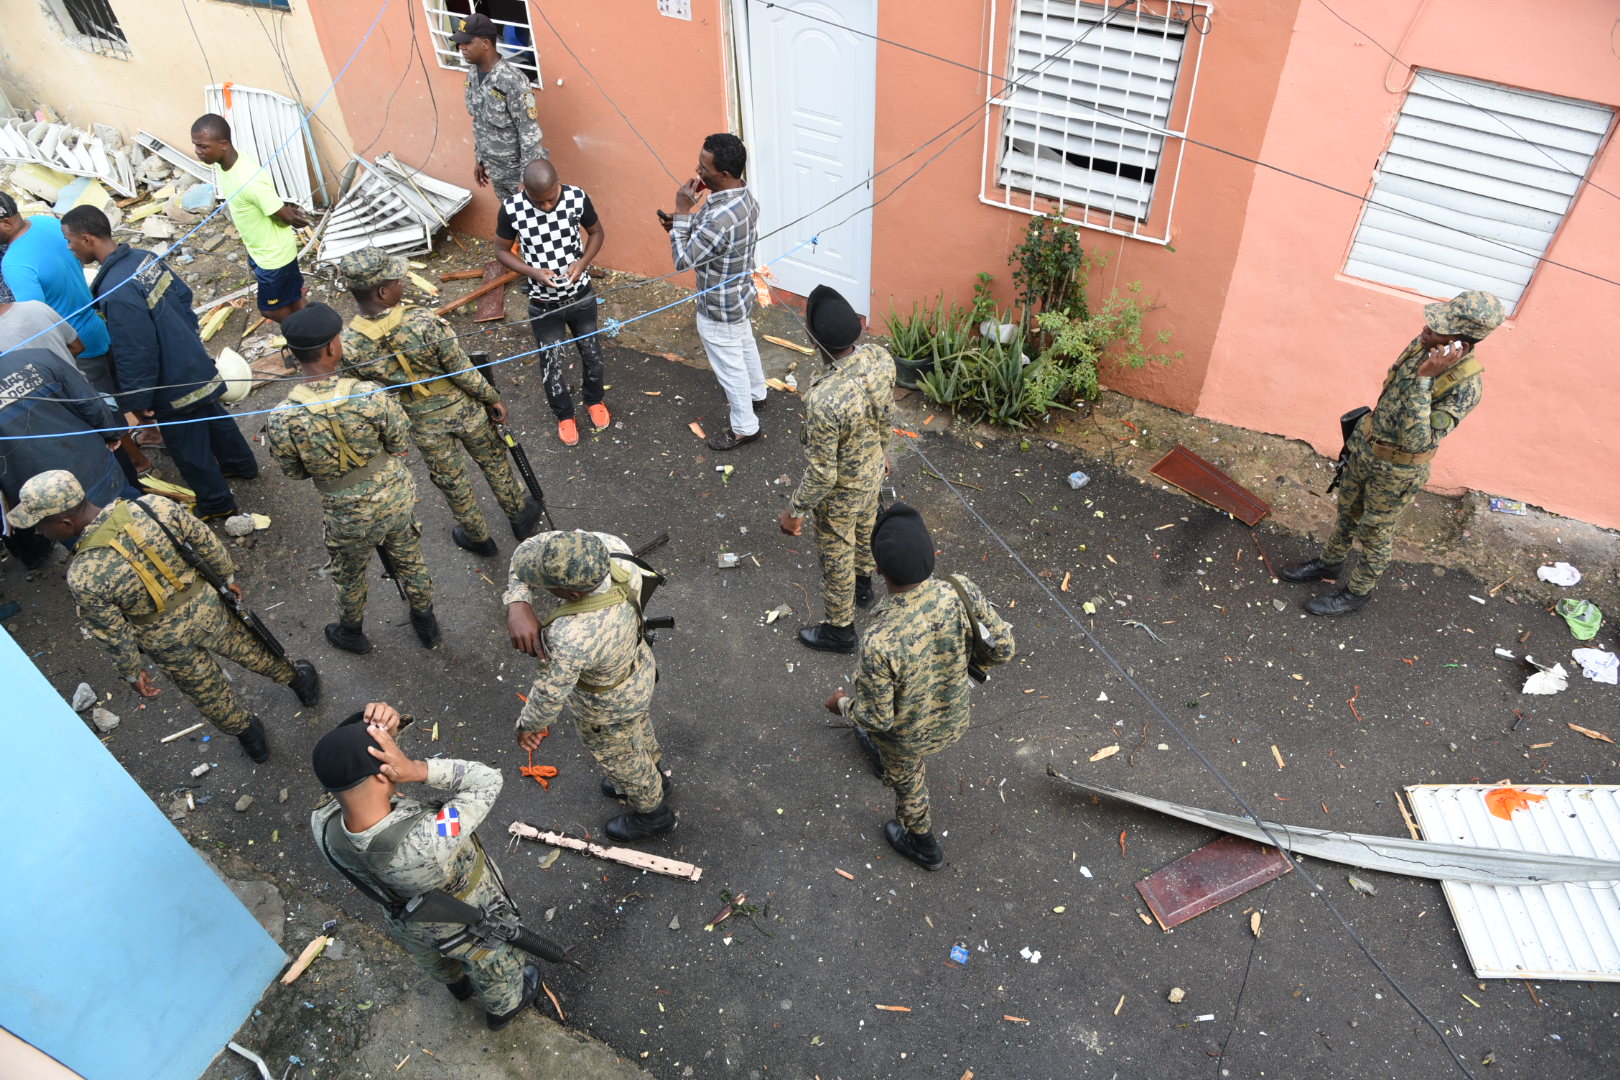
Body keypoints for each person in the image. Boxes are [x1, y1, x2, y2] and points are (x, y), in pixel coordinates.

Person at [12, 469, 319, 762]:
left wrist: (134, 672)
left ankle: (251, 739)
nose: (39, 530)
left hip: (162, 639)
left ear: (65, 523)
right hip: (208, 607)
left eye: (41, 524)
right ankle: (301, 683)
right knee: (255, 651)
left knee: (205, 692)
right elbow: (203, 539)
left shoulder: (83, 575)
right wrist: (226, 576)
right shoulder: (152, 506)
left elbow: (113, 633)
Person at [310, 702, 540, 1030]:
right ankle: (503, 1010)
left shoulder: (322, 822)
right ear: (383, 772)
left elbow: (338, 758)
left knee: (437, 959)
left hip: (408, 921)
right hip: (469, 922)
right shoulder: (433, 837)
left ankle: (457, 987)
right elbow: (487, 781)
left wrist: (380, 726)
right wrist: (418, 769)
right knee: (494, 965)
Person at [1282, 290, 1506, 616]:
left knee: (1375, 531)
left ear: (1461, 346)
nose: (1426, 328)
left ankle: (1357, 593)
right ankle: (1329, 564)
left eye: (1438, 327)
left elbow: (1418, 439)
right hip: (1365, 447)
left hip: (1397, 471)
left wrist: (1425, 381)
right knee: (1347, 513)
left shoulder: (1466, 385)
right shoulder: (1421, 345)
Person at [823, 503, 1015, 870]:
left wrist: (843, 704)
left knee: (908, 784)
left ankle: (923, 844)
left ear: (878, 568)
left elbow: (878, 719)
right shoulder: (960, 591)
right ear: (931, 553)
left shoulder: (880, 638)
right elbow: (1003, 648)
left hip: (906, 737)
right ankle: (879, 760)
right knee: (889, 751)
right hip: (953, 716)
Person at [337, 248, 539, 556]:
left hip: (420, 420)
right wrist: (492, 398)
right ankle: (519, 518)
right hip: (464, 408)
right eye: (396, 280)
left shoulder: (349, 343)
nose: (402, 283)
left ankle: (477, 536)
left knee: (451, 479)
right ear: (381, 291)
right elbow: (460, 369)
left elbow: (362, 392)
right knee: (494, 461)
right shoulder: (421, 320)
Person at [62, 205, 257, 521]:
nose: (70, 249)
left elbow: (135, 351)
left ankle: (217, 502)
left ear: (86, 239)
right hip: (194, 363)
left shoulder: (115, 290)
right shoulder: (143, 258)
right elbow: (184, 295)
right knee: (212, 413)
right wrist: (186, 340)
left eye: (70, 241)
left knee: (187, 446)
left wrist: (139, 401)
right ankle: (241, 464)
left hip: (170, 382)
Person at [265, 303, 439, 654]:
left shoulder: (282, 418)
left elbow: (294, 472)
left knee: (348, 573)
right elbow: (398, 441)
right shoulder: (370, 394)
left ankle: (351, 631)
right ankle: (426, 623)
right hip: (393, 498)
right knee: (409, 558)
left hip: (346, 515)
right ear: (332, 348)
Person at [505, 530, 674, 842]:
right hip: (638, 671)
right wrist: (518, 599)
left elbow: (547, 696)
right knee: (639, 729)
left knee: (621, 758)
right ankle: (657, 775)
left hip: (606, 707)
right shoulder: (613, 549)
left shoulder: (570, 638)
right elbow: (530, 548)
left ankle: (653, 814)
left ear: (572, 595)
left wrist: (526, 728)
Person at [778, 285, 895, 654]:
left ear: (813, 340)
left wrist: (795, 511)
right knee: (866, 532)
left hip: (841, 491)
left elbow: (823, 473)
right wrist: (883, 451)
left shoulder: (823, 399)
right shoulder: (879, 357)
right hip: (873, 470)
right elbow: (885, 412)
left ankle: (840, 630)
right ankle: (864, 586)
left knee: (836, 555)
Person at [661, 133, 767, 451]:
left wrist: (681, 213)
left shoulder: (720, 218)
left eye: (704, 167)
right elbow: (714, 235)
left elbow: (683, 260)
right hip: (740, 294)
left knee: (730, 365)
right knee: (744, 344)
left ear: (723, 173)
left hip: (718, 305)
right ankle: (757, 394)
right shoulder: (742, 195)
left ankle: (745, 427)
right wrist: (685, 224)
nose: (698, 170)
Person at [495, 159, 608, 445]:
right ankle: (565, 416)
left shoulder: (576, 197)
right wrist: (532, 272)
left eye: (550, 199)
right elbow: (500, 250)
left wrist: (582, 263)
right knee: (552, 362)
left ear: (559, 183)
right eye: (538, 201)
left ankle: (594, 400)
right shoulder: (512, 209)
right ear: (525, 190)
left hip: (581, 296)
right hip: (543, 304)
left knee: (592, 353)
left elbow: (596, 233)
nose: (546, 206)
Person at [0, 345, 140, 567]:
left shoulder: (38, 357)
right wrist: (110, 434)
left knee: (102, 558)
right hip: (95, 469)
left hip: (50, 505)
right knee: (140, 519)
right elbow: (90, 402)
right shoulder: (38, 357)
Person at [191, 113, 313, 325]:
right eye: (196, 145)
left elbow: (284, 216)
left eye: (202, 146)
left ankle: (302, 339)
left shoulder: (249, 181)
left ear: (223, 144)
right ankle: (314, 338)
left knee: (271, 310)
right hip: (263, 251)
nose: (197, 152)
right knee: (294, 298)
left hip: (273, 259)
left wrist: (294, 216)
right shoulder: (227, 163)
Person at [0, 191, 114, 393]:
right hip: (99, 326)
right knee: (127, 395)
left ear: (7, 223)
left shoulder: (14, 263)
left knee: (107, 411)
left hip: (76, 346)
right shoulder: (46, 223)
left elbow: (35, 325)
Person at [453, 12, 547, 201]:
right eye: (460, 42)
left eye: (467, 42)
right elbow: (479, 121)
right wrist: (479, 159)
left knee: (532, 224)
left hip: (518, 175)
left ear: (486, 43)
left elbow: (529, 134)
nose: (461, 47)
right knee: (510, 221)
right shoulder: (473, 74)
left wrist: (527, 180)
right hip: (496, 170)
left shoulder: (512, 80)